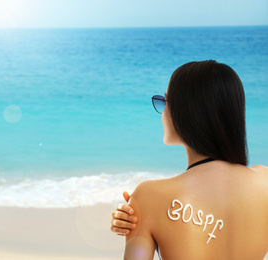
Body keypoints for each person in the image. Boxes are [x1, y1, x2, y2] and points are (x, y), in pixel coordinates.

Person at [110, 60, 268, 259]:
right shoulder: (265, 181)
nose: (163, 112)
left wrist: (138, 219)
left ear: (188, 111)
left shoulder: (148, 196)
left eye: (165, 102)